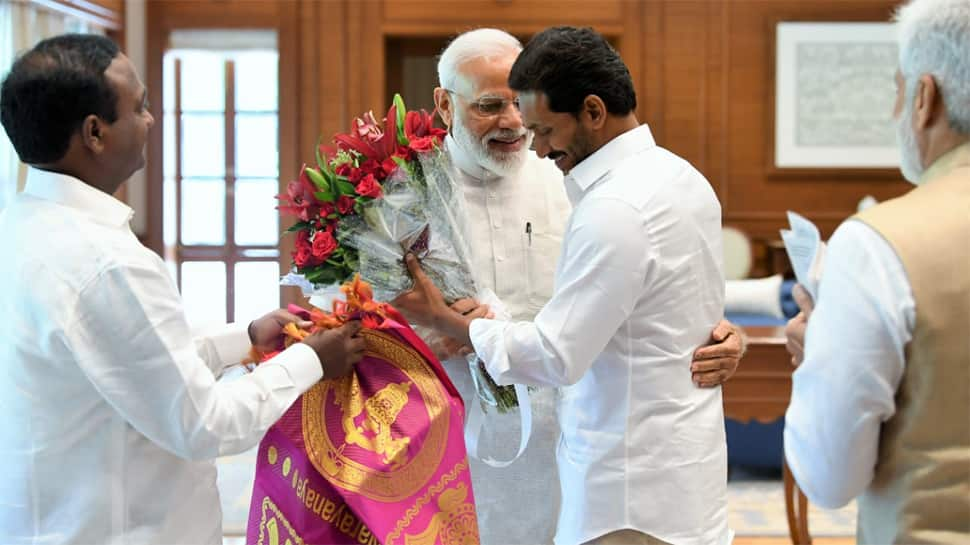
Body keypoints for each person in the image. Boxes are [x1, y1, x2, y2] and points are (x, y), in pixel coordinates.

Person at [0, 34, 365, 544]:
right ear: (94, 133)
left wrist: (246, 338)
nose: (151, 120)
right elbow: (206, 426)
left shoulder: (21, 225)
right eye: (141, 107)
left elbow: (129, 366)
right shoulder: (110, 264)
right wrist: (312, 363)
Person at [396, 26, 732, 545]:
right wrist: (417, 328)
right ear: (444, 104)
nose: (520, 131)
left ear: (589, 113)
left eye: (525, 114)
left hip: (580, 449)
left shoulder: (578, 185)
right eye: (490, 106)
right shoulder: (398, 193)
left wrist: (720, 334)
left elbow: (566, 344)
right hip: (449, 433)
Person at [783, 0, 970, 542]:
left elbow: (828, 475)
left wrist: (818, 353)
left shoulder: (878, 244)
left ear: (923, 98)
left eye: (898, 89)